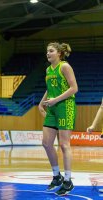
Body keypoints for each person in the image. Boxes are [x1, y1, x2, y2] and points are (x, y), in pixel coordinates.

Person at [38, 42, 78, 196]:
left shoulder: (65, 67)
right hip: (52, 107)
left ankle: (68, 181)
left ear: (59, 53)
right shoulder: (48, 69)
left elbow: (74, 88)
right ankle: (57, 176)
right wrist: (42, 102)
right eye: (47, 51)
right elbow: (50, 88)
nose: (48, 53)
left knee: (64, 144)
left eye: (51, 51)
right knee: (46, 143)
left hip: (65, 105)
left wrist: (56, 100)